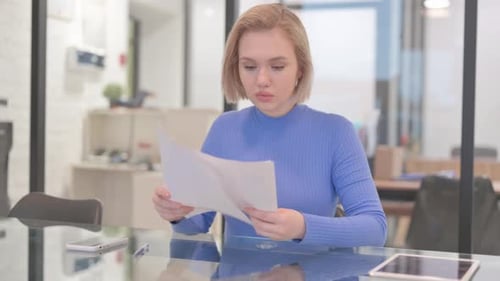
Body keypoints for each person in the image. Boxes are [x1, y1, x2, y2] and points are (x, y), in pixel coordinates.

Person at [153, 3, 387, 247]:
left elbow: (374, 228)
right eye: (249, 66)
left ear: (300, 69)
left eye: (277, 67)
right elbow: (197, 225)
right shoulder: (225, 129)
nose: (262, 80)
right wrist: (176, 212)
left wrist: (302, 227)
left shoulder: (336, 132)